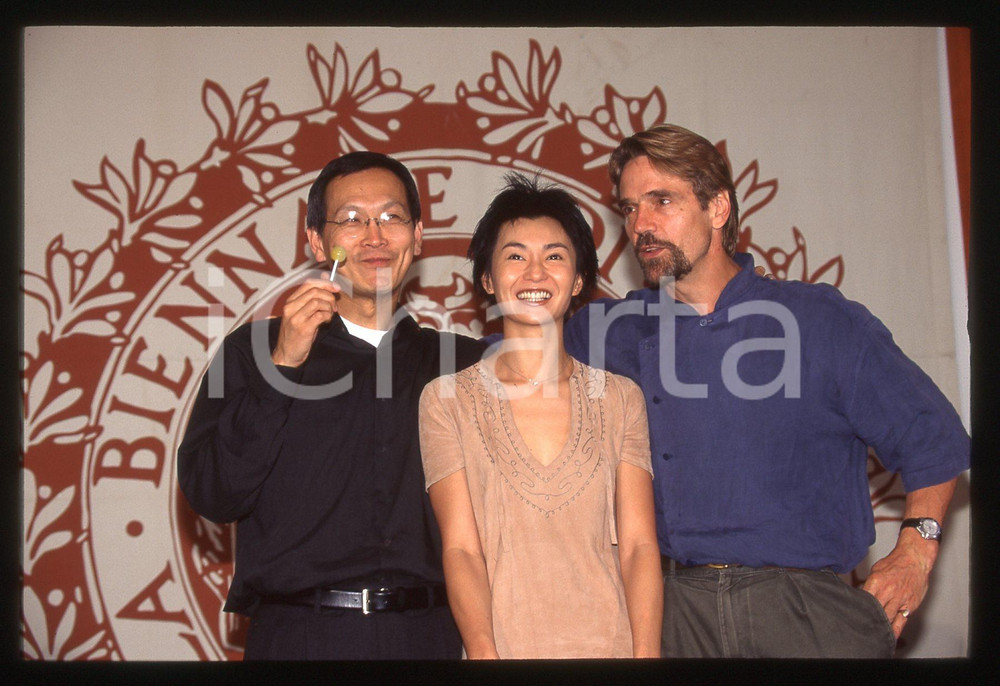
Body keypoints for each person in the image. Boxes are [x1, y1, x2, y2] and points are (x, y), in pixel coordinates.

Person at [563, 123, 970, 658]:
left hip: (808, 611)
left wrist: (915, 553)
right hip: (674, 612)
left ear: (718, 208)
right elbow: (502, 361)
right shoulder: (614, 330)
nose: (641, 224)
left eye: (662, 201)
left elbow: (934, 439)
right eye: (630, 207)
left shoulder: (816, 319)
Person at [177, 151, 484, 660]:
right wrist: (283, 366)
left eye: (392, 217)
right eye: (352, 220)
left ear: (418, 236)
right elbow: (213, 494)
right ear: (318, 242)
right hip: (299, 638)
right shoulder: (251, 352)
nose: (374, 236)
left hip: (430, 638)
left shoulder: (462, 363)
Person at [418, 174, 662, 659]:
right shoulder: (446, 400)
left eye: (554, 256)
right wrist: (484, 655)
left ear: (578, 280)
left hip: (611, 651)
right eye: (515, 257)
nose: (535, 274)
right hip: (502, 654)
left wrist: (647, 658)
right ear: (487, 279)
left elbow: (639, 546)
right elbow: (462, 549)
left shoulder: (620, 399)